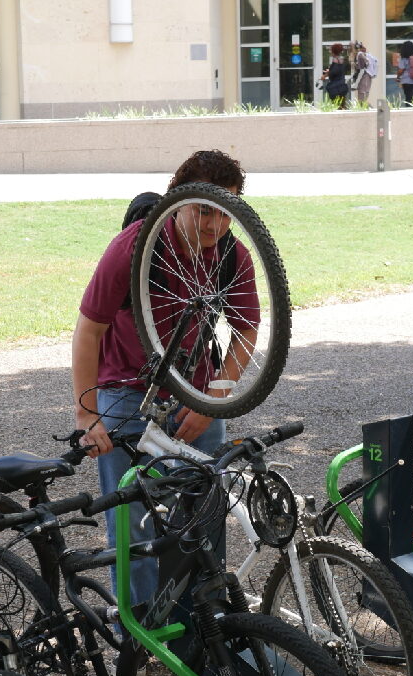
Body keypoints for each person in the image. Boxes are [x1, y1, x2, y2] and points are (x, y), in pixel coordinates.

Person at [72, 149, 257, 619]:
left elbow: (247, 329)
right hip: (126, 392)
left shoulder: (232, 255)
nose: (215, 223)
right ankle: (140, 628)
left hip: (196, 395)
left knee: (204, 511)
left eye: (227, 210)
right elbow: (89, 328)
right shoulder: (134, 248)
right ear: (177, 201)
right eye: (204, 209)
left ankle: (199, 625)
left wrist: (215, 398)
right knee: (130, 520)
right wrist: (87, 413)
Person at [395, 41, 413, 107]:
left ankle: (409, 113)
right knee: (411, 98)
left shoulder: (404, 59)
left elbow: (401, 70)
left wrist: (398, 77)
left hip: (407, 82)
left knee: (408, 100)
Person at [320, 43, 349, 109]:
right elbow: (339, 71)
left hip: (336, 87)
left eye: (331, 49)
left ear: (334, 51)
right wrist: (329, 71)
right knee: (342, 104)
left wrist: (326, 74)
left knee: (337, 105)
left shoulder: (335, 60)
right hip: (341, 85)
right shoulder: (341, 59)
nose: (330, 51)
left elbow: (334, 72)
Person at [351, 41, 373, 106]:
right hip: (364, 76)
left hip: (363, 76)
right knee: (363, 95)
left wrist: (356, 83)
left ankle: (365, 108)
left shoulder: (360, 54)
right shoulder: (360, 54)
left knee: (362, 96)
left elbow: (363, 68)